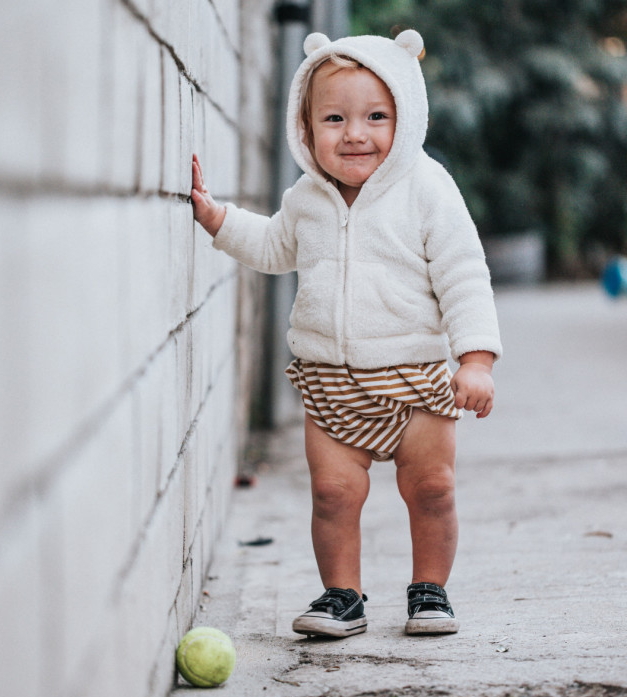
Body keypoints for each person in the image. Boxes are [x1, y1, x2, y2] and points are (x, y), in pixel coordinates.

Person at [191, 30, 502, 638]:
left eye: (376, 117)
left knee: (432, 489)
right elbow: (275, 246)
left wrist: (477, 360)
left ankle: (430, 591)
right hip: (330, 383)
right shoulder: (307, 198)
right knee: (332, 494)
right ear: (305, 130)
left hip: (416, 378)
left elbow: (465, 273)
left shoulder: (427, 188)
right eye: (334, 118)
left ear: (406, 117)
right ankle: (343, 597)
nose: (355, 133)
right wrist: (217, 219)